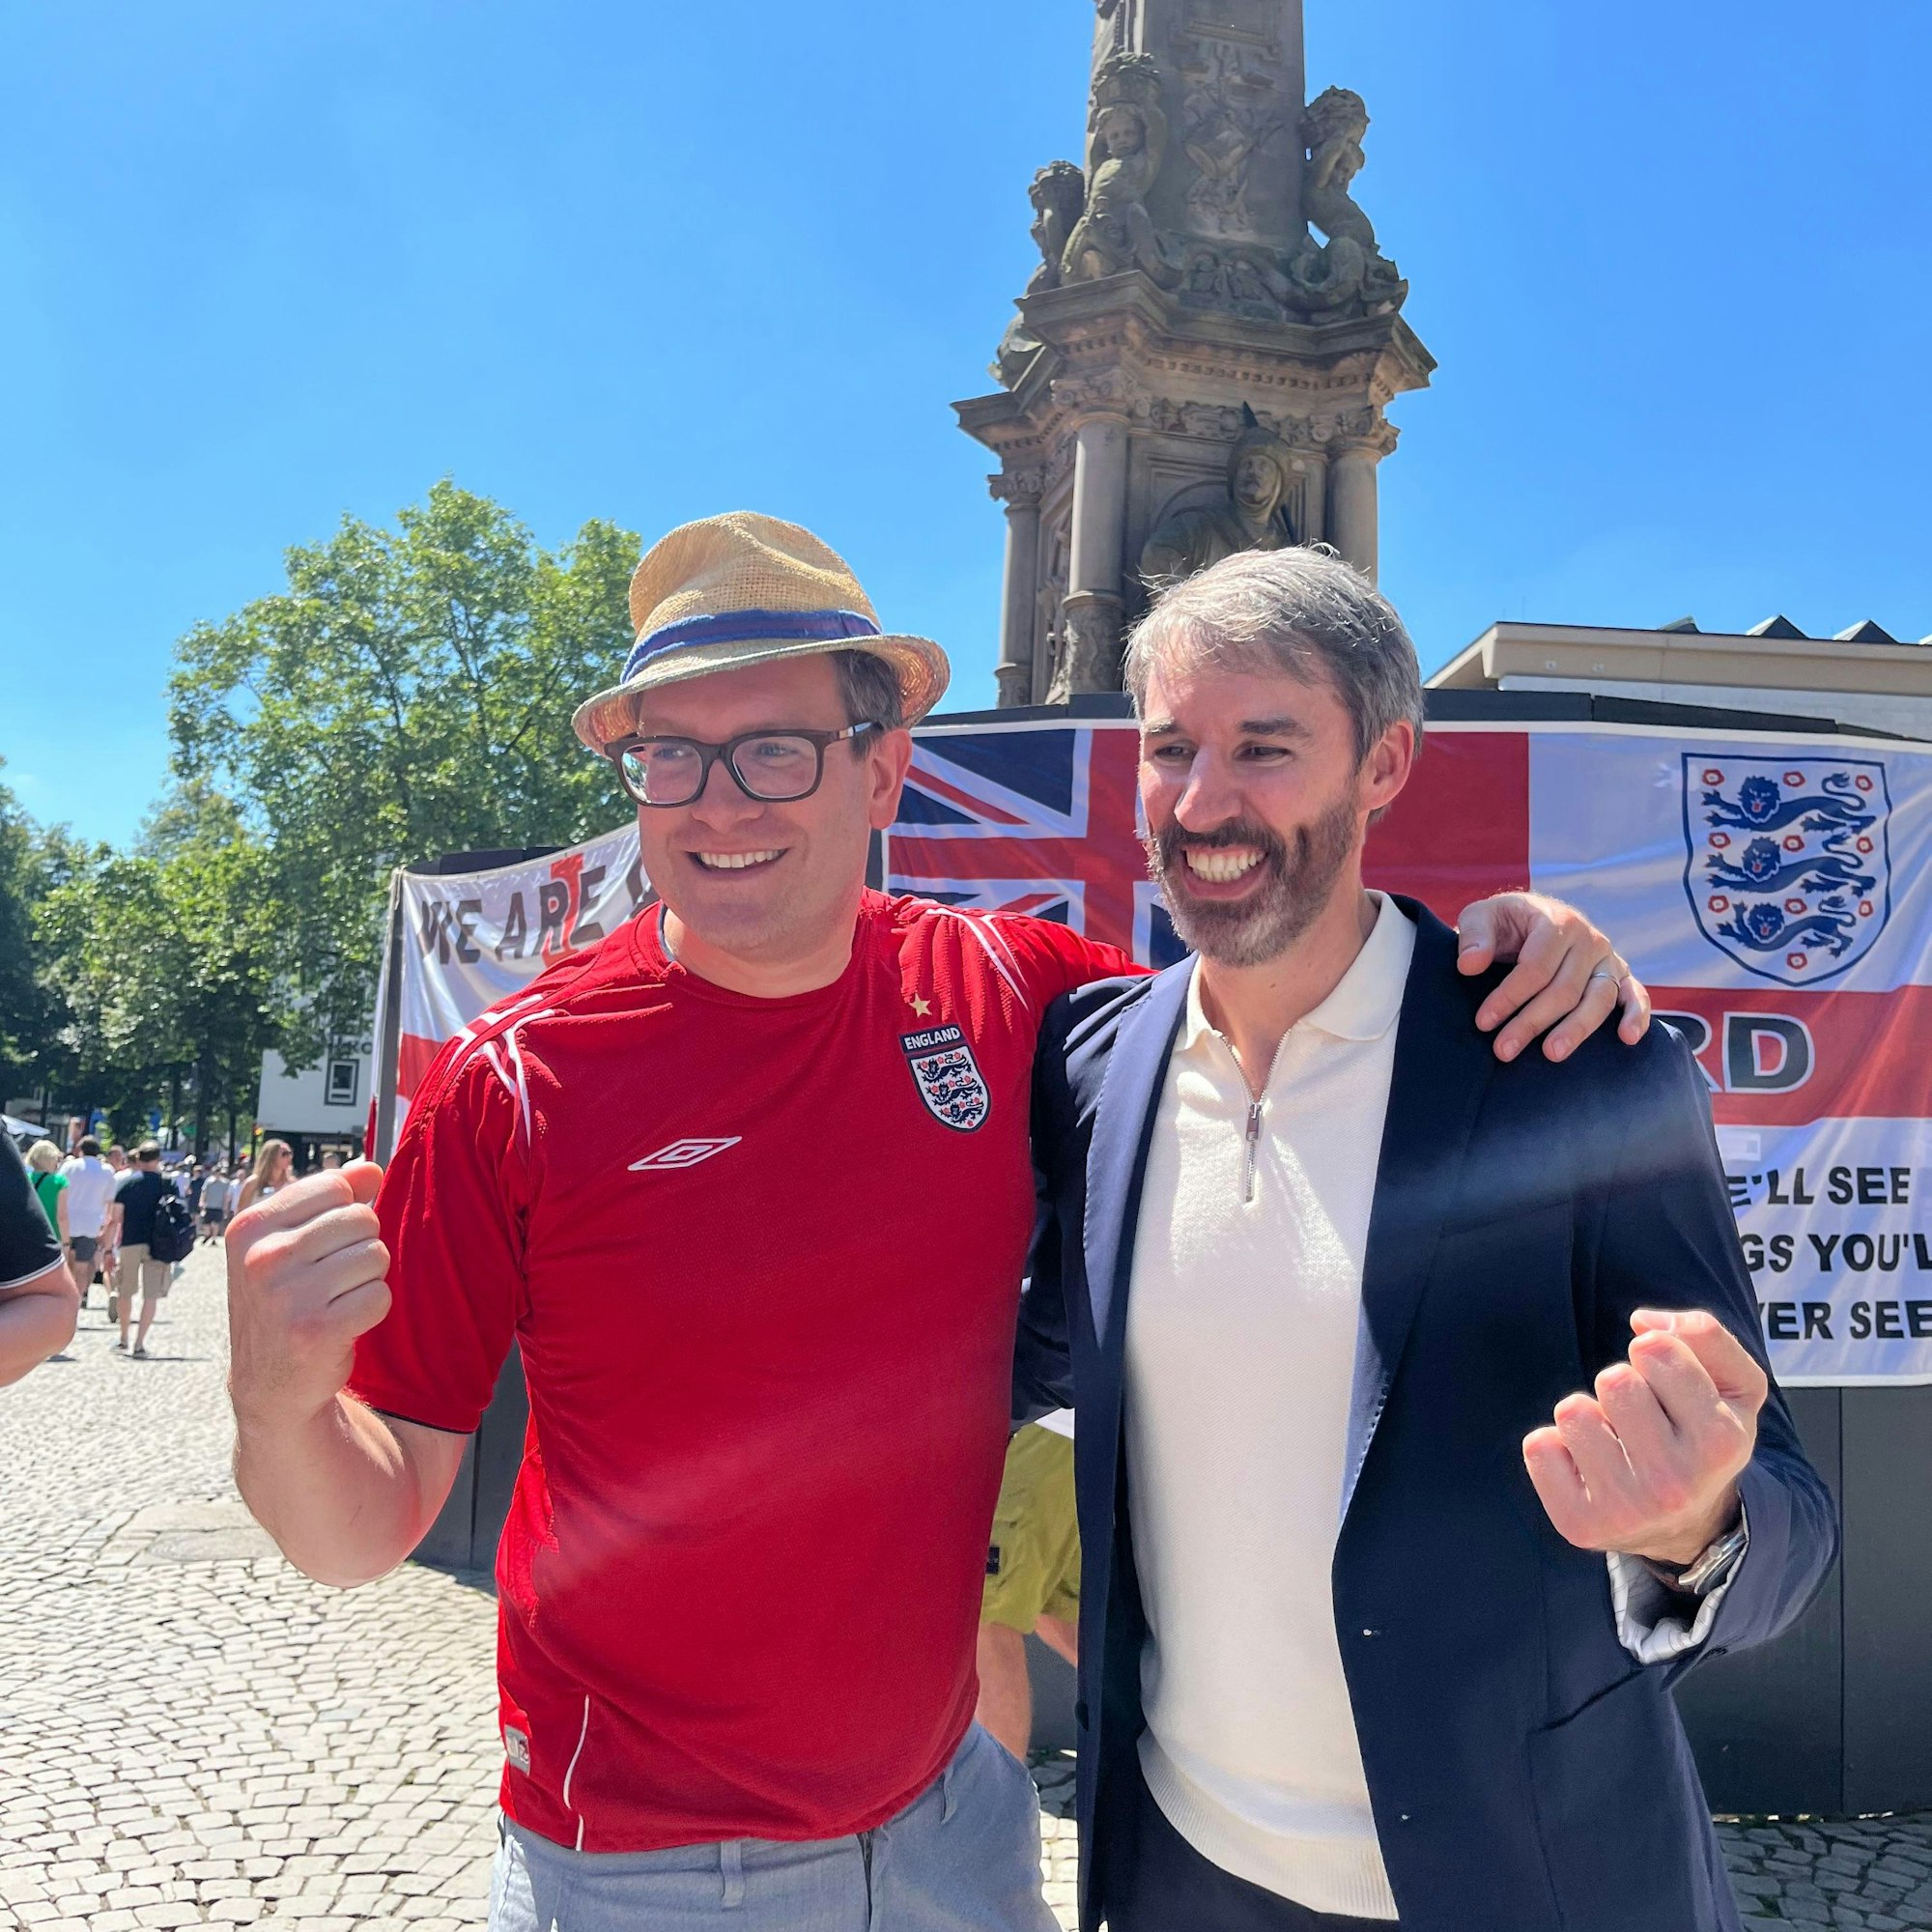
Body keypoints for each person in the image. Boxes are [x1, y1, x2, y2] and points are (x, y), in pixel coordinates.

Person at [223, 513, 1646, 1932]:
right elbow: (360, 1529)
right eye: (670, 756)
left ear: (882, 770)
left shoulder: (1002, 984)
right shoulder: (518, 1079)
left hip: (953, 1820)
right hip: (650, 1867)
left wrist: (1498, 945)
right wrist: (276, 1404)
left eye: (773, 751)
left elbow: (1265, 988)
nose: (717, 806)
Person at [1014, 545, 1839, 1932]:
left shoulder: (1567, 1062)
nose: (1201, 803)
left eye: (1264, 747)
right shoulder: (1093, 1063)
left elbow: (1792, 1517)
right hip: (1176, 1870)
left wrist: (1692, 1527)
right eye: (1169, 749)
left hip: (1515, 1880)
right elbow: (1004, 1348)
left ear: (1383, 763)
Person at [977, 1411, 1080, 1763]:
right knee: (1057, 1616)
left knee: (982, 1617)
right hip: (1054, 1421)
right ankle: (1152, 1751)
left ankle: (995, 1797)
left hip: (1040, 1422)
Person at [0, 1132, 79, 1385]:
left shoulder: (30, 1177)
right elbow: (62, 1216)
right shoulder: (59, 1182)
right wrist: (65, 1243)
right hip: (41, 1242)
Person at [104, 1142, 174, 1358]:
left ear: (138, 1160)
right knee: (151, 1295)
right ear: (157, 1159)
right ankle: (140, 1344)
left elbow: (115, 1219)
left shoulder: (127, 1184)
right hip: (158, 1245)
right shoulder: (167, 1184)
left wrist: (108, 1249)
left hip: (130, 1242)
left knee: (125, 1291)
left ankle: (124, 1338)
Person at [58, 1135, 118, 1312]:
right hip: (91, 1225)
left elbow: (58, 1190)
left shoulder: (69, 1167)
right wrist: (106, 1227)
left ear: (80, 1150)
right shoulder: (107, 1171)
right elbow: (110, 1202)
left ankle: (65, 1299)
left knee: (66, 1264)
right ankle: (77, 1302)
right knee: (83, 1267)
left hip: (67, 1222)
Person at [25, 1140, 69, 1238]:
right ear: (51, 1159)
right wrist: (66, 1241)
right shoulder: (59, 1181)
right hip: (51, 1236)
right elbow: (62, 1217)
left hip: (28, 1234)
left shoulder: (24, 1179)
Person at [236, 1139, 293, 1214]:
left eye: (290, 1153)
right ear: (271, 1157)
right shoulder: (252, 1183)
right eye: (284, 1154)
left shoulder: (292, 1184)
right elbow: (240, 1213)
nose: (289, 1157)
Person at [201, 1165, 230, 1243]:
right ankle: (208, 1234)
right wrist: (202, 1202)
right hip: (209, 1205)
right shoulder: (208, 1181)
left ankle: (214, 1239)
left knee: (216, 1224)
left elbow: (226, 1195)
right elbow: (204, 1192)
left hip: (219, 1206)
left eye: (218, 1172)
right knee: (206, 1223)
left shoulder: (225, 1183)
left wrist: (225, 1206)